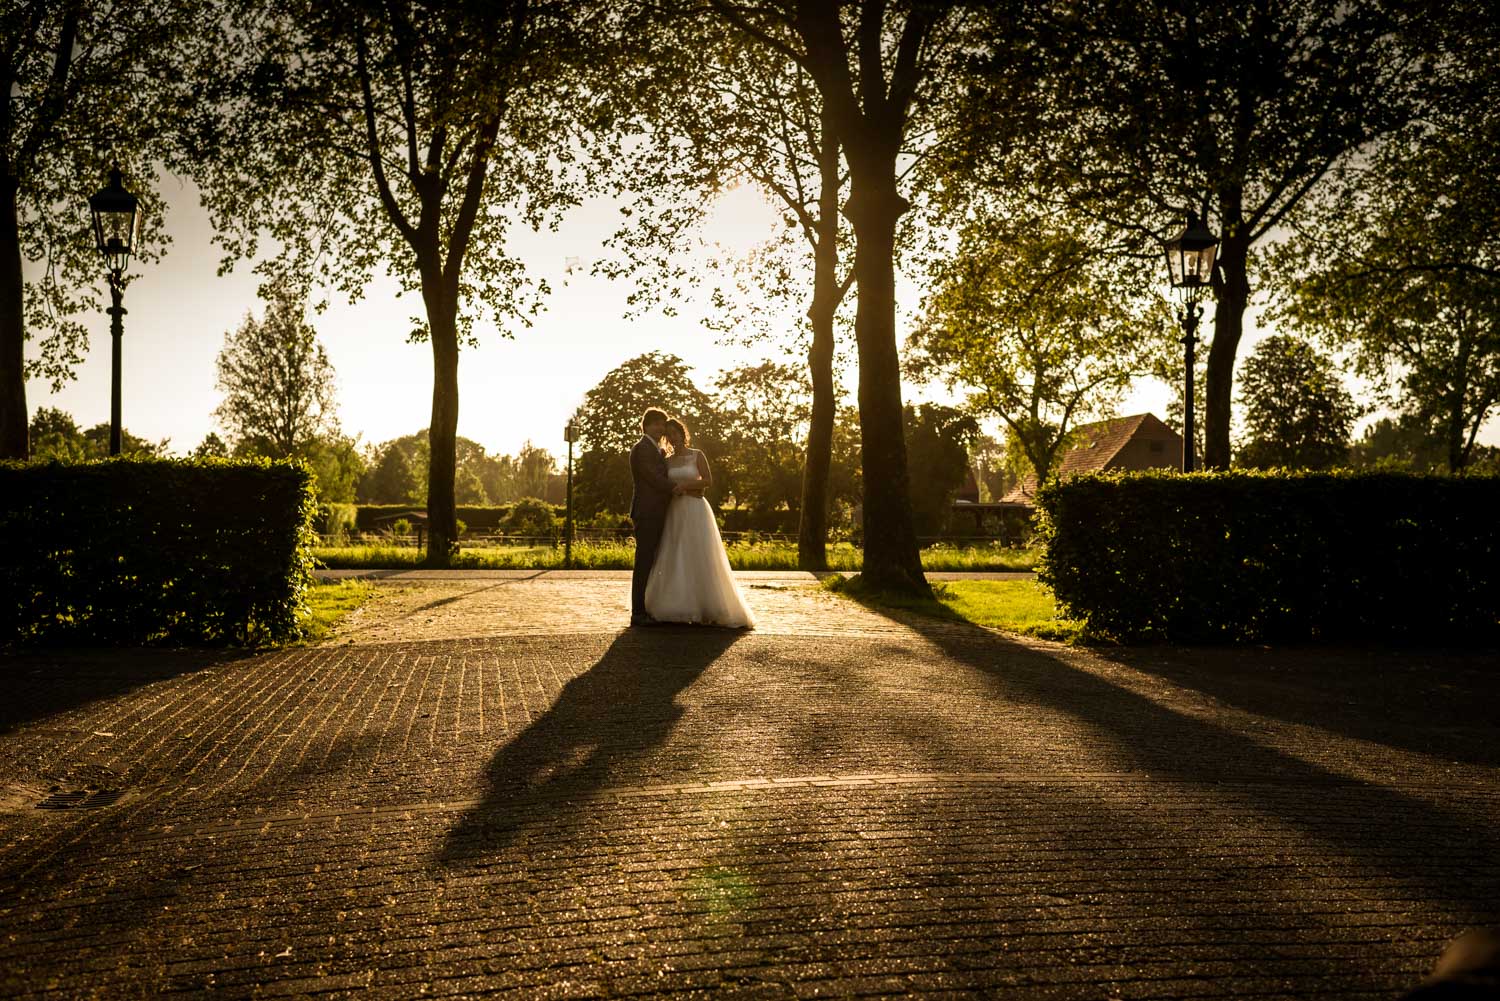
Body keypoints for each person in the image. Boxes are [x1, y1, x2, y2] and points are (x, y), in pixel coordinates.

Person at [644, 418, 755, 629]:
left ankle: (709, 605)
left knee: (701, 553)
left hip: (695, 509)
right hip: (675, 510)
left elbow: (707, 480)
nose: (672, 437)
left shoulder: (697, 455)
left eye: (675, 432)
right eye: (668, 434)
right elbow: (664, 484)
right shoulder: (666, 460)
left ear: (682, 433)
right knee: (676, 553)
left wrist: (686, 486)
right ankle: (677, 603)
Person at [629, 408, 681, 627]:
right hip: (647, 513)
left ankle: (648, 607)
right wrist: (678, 487)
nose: (661, 428)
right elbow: (653, 477)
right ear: (646, 426)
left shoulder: (655, 449)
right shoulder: (642, 449)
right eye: (656, 424)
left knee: (653, 561)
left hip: (658, 512)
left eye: (662, 424)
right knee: (644, 562)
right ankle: (638, 613)